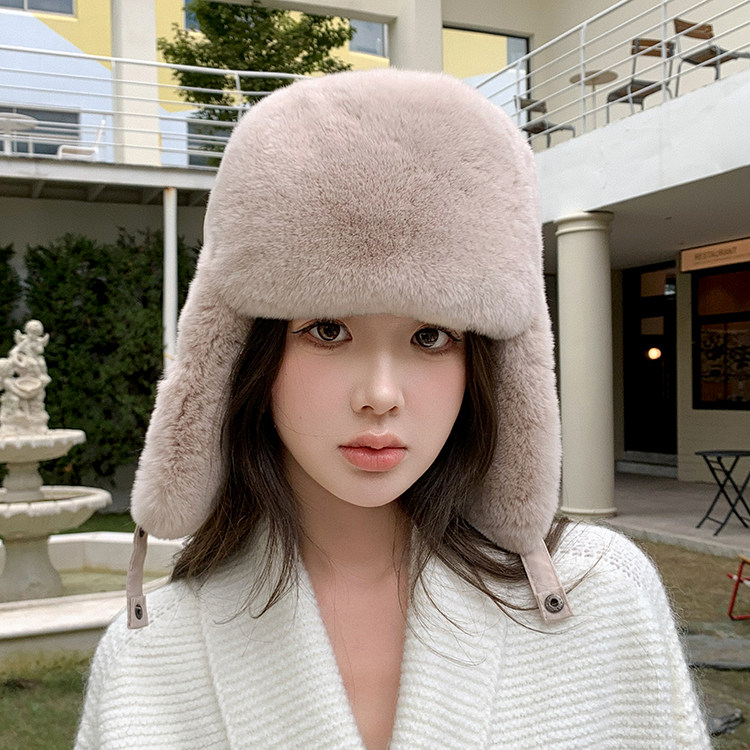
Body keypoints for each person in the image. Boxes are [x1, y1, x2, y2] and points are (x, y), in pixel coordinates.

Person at [76, 69, 709, 749]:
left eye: (430, 337)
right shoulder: (150, 654)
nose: (380, 394)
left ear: (492, 366)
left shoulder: (605, 594)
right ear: (242, 354)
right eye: (327, 330)